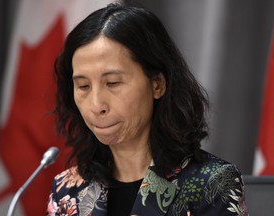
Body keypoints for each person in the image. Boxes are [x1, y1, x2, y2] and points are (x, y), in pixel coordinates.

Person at [46, 3, 248, 216]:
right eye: (84, 86)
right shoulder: (67, 190)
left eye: (113, 83)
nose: (96, 105)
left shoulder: (213, 184)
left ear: (157, 84)